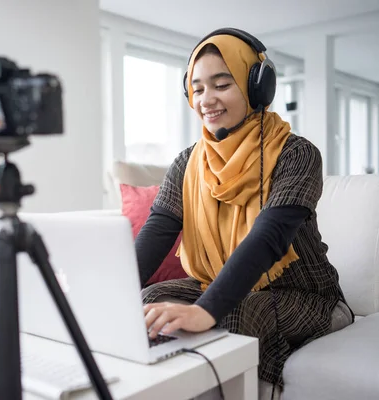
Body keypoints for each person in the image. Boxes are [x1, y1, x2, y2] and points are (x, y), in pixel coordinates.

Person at [136, 28, 354, 396]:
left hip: (303, 292)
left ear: (257, 88)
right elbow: (157, 230)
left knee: (234, 313)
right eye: (198, 87)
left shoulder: (297, 154)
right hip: (215, 281)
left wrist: (206, 310)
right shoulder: (187, 163)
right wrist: (107, 293)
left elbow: (268, 237)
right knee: (148, 304)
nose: (206, 99)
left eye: (222, 84)